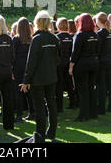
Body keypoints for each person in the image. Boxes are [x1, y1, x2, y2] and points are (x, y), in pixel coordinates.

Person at [19, 10, 59, 142]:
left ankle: (40, 133)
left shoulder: (36, 39)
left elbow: (31, 62)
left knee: (40, 106)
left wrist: (26, 80)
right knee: (51, 104)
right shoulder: (54, 38)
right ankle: (51, 131)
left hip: (38, 79)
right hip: (51, 76)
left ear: (37, 22)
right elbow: (57, 59)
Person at [69, 13, 99, 122]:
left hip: (81, 65)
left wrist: (71, 66)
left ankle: (83, 115)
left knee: (82, 91)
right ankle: (92, 113)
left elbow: (75, 52)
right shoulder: (95, 35)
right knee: (91, 89)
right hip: (93, 64)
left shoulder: (79, 35)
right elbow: (97, 50)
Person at [12, 17, 35, 123]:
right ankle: (32, 113)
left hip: (18, 66)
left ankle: (19, 115)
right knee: (29, 90)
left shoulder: (16, 39)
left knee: (18, 92)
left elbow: (13, 55)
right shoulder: (32, 39)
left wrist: (12, 69)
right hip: (29, 66)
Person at [95, 12, 111, 114]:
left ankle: (101, 108)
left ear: (98, 21)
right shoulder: (110, 32)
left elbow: (98, 49)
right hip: (110, 59)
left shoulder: (100, 33)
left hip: (102, 61)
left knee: (101, 85)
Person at [55, 17, 77, 112]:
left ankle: (59, 106)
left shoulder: (57, 37)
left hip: (59, 63)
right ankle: (73, 102)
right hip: (68, 61)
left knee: (59, 84)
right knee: (69, 83)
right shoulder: (70, 37)